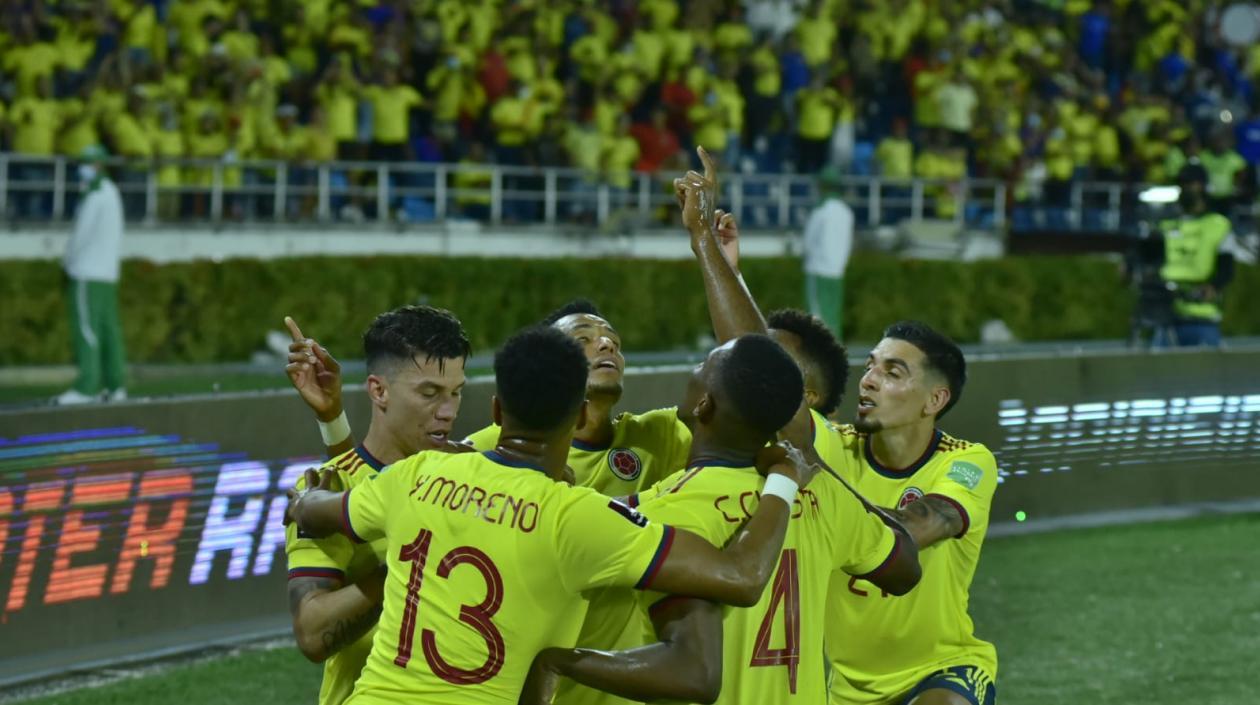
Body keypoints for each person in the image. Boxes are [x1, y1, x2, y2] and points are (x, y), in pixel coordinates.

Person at [285, 326, 824, 705]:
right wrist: (782, 478)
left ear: (496, 410)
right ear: (577, 415)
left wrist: (321, 462)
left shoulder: (419, 474)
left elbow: (318, 508)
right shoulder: (578, 518)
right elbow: (742, 576)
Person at [676, 147, 999, 705]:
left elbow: (917, 529)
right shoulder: (837, 446)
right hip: (842, 685)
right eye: (871, 366)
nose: (870, 381)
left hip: (940, 671)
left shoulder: (966, 461)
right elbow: (765, 377)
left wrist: (826, 493)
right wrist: (719, 261)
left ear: (935, 399)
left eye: (893, 372)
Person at [523, 322, 921, 705]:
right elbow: (904, 568)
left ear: (704, 404)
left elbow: (691, 671)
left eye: (701, 367)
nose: (692, 371)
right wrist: (838, 491)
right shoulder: (818, 491)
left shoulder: (669, 511)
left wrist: (561, 662)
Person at [283, 305, 471, 705]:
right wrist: (417, 561)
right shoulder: (327, 489)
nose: (449, 412)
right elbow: (314, 635)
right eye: (429, 393)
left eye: (456, 392)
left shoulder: (476, 471)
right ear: (379, 390)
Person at [56, 145, 127, 405]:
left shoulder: (94, 194)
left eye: (86, 162)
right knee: (110, 331)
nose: (81, 167)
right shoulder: (112, 191)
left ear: (98, 164)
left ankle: (86, 387)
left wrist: (67, 264)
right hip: (107, 273)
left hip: (87, 272)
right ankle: (115, 385)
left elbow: (80, 236)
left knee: (87, 330)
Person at [1154, 164, 1248, 347]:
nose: (1184, 189)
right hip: (1166, 316)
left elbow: (1227, 268)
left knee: (1206, 373)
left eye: (1189, 183)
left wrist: (1213, 286)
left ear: (1202, 186)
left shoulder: (1218, 225)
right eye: (1182, 184)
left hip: (1203, 315)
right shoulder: (1166, 224)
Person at [802, 166, 854, 339]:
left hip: (818, 269)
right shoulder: (847, 212)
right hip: (838, 270)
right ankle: (835, 349)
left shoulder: (820, 210)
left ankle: (820, 355)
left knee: (816, 313)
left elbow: (808, 242)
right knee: (832, 312)